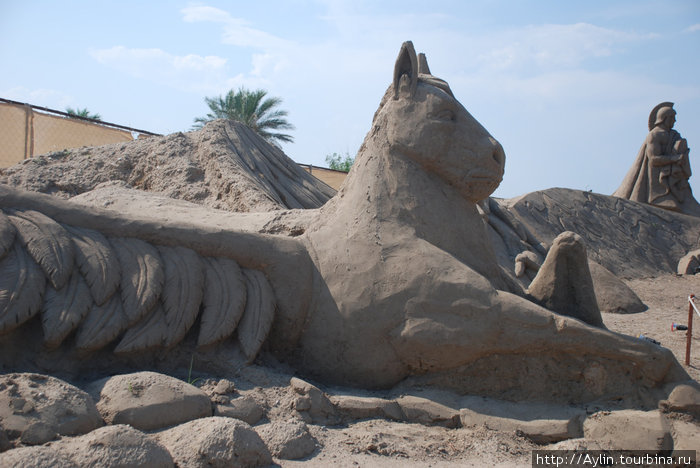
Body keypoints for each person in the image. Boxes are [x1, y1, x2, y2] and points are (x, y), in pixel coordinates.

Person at [614, 102, 700, 216]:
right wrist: (675, 158)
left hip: (674, 175)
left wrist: (682, 154)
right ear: (664, 118)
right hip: (657, 177)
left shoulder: (674, 135)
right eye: (672, 118)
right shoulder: (654, 135)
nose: (675, 121)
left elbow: (680, 149)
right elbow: (654, 159)